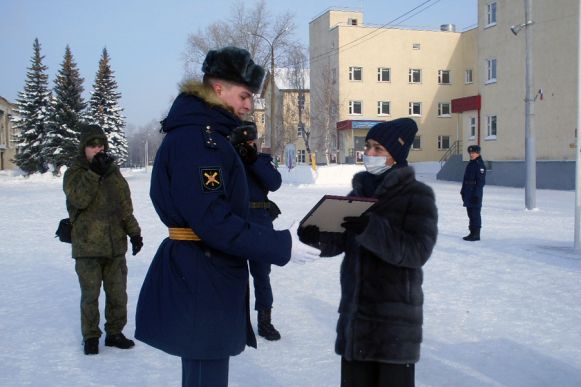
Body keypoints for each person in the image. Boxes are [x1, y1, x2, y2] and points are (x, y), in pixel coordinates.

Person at [134, 46, 319, 387]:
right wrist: (280, 244)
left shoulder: (205, 134)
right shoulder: (199, 139)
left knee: (203, 371)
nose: (249, 105)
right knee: (206, 374)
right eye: (245, 95)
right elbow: (212, 220)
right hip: (204, 271)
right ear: (218, 89)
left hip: (204, 268)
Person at [298, 118, 438, 387]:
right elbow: (341, 240)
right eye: (368, 147)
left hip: (394, 327)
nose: (369, 154)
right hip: (356, 322)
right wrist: (316, 236)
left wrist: (370, 229)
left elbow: (416, 252)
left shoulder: (417, 195)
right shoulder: (360, 190)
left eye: (378, 149)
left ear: (395, 156)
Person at [63, 123, 143, 356]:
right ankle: (90, 336)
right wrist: (94, 174)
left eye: (101, 145)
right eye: (92, 145)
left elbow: (125, 208)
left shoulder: (113, 173)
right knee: (90, 296)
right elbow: (78, 199)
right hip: (87, 247)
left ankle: (115, 333)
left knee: (118, 293)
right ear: (83, 148)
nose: (98, 149)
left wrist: (135, 233)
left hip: (115, 245)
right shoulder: (74, 173)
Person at [229, 121, 283, 341]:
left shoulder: (260, 161)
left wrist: (253, 161)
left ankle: (265, 320)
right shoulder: (228, 162)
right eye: (244, 144)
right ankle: (235, 319)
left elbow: (275, 183)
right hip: (236, 222)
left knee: (262, 274)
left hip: (260, 222)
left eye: (252, 143)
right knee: (234, 273)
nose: (249, 147)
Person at [461, 144, 486, 241]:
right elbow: (465, 179)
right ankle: (472, 232)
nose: (471, 154)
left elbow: (481, 182)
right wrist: (462, 191)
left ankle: (476, 234)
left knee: (475, 213)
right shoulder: (471, 163)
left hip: (475, 193)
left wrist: (476, 195)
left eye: (474, 153)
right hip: (468, 192)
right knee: (470, 213)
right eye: (470, 153)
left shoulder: (479, 165)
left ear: (478, 153)